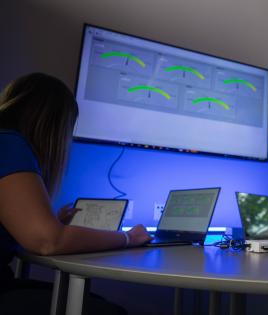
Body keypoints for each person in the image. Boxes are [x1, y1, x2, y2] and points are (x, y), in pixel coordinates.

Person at [0, 73, 153, 314]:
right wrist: (128, 238)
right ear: (54, 123)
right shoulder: (9, 143)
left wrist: (52, 224)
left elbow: (33, 236)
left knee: (93, 301)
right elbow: (48, 242)